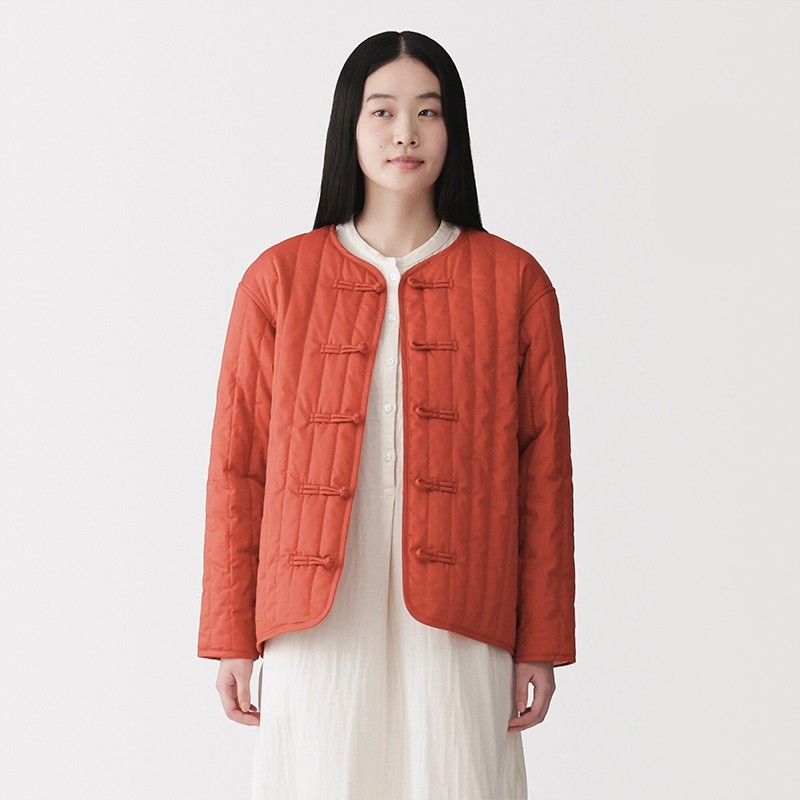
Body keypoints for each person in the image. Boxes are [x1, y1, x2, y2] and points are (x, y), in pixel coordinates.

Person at [197, 30, 576, 800]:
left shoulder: (515, 283)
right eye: (383, 111)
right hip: (315, 619)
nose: (406, 132)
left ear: (452, 129)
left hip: (464, 612)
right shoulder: (278, 280)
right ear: (350, 124)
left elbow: (545, 475)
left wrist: (541, 639)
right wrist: (230, 632)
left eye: (428, 112)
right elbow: (238, 466)